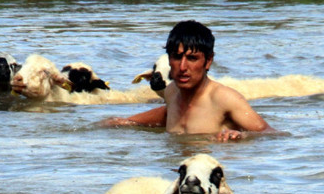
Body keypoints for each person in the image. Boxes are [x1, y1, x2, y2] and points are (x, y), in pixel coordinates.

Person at [102, 20, 272, 141]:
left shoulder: (224, 98)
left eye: (192, 58)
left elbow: (271, 134)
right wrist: (126, 122)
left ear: (208, 61)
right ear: (169, 60)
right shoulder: (172, 91)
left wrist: (242, 137)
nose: (182, 67)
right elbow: (168, 112)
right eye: (177, 57)